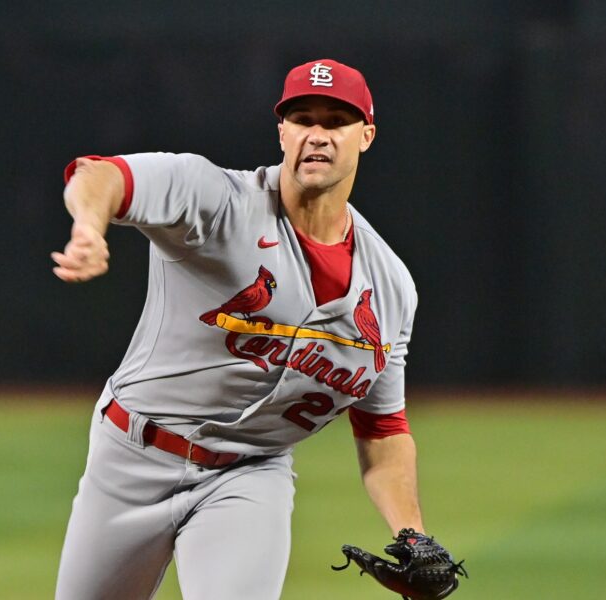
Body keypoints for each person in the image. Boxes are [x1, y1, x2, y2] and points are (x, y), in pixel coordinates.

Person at [52, 59, 423, 600]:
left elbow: (383, 430)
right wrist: (89, 224)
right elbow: (101, 174)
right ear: (281, 131)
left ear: (365, 135)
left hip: (249, 476)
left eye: (335, 121)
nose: (316, 134)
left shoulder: (389, 286)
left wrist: (411, 533)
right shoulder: (217, 200)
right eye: (302, 119)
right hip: (132, 456)